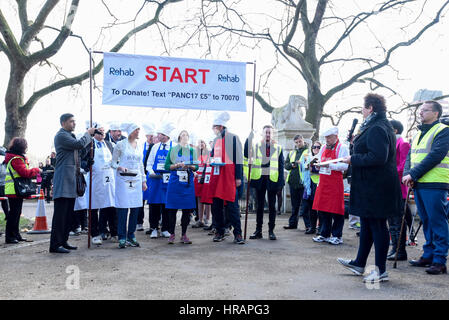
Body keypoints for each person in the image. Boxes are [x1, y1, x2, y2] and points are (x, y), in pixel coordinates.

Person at [338, 93, 402, 283]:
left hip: (377, 187)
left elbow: (378, 157)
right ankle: (359, 263)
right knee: (367, 225)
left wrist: (353, 159)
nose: (362, 111)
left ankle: (380, 270)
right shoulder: (376, 126)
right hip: (371, 185)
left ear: (371, 108)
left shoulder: (377, 127)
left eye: (363, 108)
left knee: (377, 226)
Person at [403, 100, 449, 275]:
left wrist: (412, 174)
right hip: (420, 182)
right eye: (420, 110)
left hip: (435, 182)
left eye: (425, 110)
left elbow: (436, 155)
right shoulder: (417, 133)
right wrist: (407, 174)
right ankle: (429, 255)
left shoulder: (443, 131)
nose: (420, 113)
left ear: (436, 113)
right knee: (426, 220)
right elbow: (410, 156)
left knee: (437, 221)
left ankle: (439, 260)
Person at [49, 113, 97, 253]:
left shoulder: (70, 136)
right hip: (64, 180)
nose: (74, 124)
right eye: (71, 121)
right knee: (60, 214)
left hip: (71, 180)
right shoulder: (61, 136)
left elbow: (80, 151)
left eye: (74, 121)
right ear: (63, 122)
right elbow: (78, 144)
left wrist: (90, 146)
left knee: (68, 214)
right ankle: (55, 244)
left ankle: (63, 241)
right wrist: (88, 134)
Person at [208, 112, 245, 244]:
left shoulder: (234, 138)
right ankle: (219, 231)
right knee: (216, 206)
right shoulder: (216, 140)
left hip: (229, 178)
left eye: (215, 127)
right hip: (217, 177)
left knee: (232, 207)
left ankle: (238, 233)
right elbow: (212, 156)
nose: (213, 129)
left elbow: (239, 158)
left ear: (221, 127)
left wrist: (238, 177)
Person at [244, 125, 285, 240]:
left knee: (272, 207)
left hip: (272, 180)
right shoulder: (256, 146)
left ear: (272, 134)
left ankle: (271, 231)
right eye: (266, 132)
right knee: (259, 206)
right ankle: (258, 231)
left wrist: (280, 183)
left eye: (269, 133)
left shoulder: (278, 147)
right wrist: (249, 138)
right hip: (259, 180)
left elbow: (281, 166)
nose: (267, 134)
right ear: (262, 134)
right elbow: (247, 154)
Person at [111, 123, 147, 249]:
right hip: (123, 179)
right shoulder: (120, 145)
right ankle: (122, 236)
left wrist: (144, 180)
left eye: (139, 129)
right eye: (136, 129)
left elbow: (141, 164)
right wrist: (119, 167)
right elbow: (112, 162)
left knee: (135, 207)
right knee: (123, 208)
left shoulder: (139, 145)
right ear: (131, 131)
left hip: (136, 180)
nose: (138, 131)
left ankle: (131, 235)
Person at [312, 127, 349, 245]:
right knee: (323, 208)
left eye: (329, 137)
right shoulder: (323, 147)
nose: (326, 140)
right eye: (326, 137)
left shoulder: (342, 148)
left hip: (335, 182)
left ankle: (337, 235)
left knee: (337, 209)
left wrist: (330, 166)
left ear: (335, 136)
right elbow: (319, 159)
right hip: (323, 181)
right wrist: (317, 165)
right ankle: (324, 233)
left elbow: (345, 166)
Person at [82, 122, 117, 245]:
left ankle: (114, 231)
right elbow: (81, 161)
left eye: (104, 132)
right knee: (93, 206)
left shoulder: (109, 144)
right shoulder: (89, 145)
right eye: (100, 132)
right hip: (95, 180)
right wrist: (87, 165)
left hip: (108, 179)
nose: (102, 134)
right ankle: (95, 233)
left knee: (110, 205)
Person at [3, 138, 40, 244]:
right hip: (14, 190)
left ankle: (15, 235)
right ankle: (10, 237)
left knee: (16, 213)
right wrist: (36, 170)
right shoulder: (16, 159)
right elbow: (24, 173)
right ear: (21, 147)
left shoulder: (15, 157)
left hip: (14, 189)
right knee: (14, 214)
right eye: (25, 146)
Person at [165, 130, 199, 244]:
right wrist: (176, 165)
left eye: (187, 135)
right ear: (179, 137)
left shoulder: (192, 150)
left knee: (187, 209)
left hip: (187, 183)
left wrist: (190, 166)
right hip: (175, 182)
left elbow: (197, 166)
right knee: (172, 209)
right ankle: (172, 233)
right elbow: (166, 166)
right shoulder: (173, 150)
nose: (185, 136)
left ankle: (184, 234)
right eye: (183, 134)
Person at [387, 119, 412, 261]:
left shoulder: (403, 144)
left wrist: (388, 172)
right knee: (392, 222)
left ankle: (399, 250)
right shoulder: (392, 143)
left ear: (395, 130)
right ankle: (395, 248)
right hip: (391, 186)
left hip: (399, 188)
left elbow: (403, 166)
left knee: (397, 221)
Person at [146, 122, 175, 239]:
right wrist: (152, 173)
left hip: (169, 180)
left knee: (167, 205)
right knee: (154, 204)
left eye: (160, 134)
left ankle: (165, 228)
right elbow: (149, 163)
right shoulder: (155, 147)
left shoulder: (174, 147)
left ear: (166, 135)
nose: (157, 136)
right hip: (156, 180)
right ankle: (153, 228)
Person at [284, 134, 308, 230]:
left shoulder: (308, 151)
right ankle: (293, 224)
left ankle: (308, 226)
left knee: (305, 205)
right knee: (295, 205)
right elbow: (286, 165)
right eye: (296, 142)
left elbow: (310, 163)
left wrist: (301, 163)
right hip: (293, 181)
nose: (298, 144)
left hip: (304, 182)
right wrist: (292, 164)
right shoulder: (291, 153)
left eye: (300, 141)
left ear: (303, 140)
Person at [299, 140, 321, 234]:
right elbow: (304, 168)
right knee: (306, 208)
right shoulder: (307, 157)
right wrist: (304, 164)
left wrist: (313, 168)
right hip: (308, 185)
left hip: (318, 184)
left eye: (318, 147)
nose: (316, 149)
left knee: (318, 209)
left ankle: (319, 228)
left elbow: (323, 169)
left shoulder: (321, 157)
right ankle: (311, 227)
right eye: (314, 147)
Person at [138, 123, 156, 232]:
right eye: (150, 136)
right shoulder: (141, 147)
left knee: (153, 201)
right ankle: (139, 222)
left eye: (153, 137)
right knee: (140, 201)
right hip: (142, 176)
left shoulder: (156, 147)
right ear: (146, 136)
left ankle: (153, 224)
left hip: (152, 177)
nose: (151, 138)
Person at [193, 138, 211, 228]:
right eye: (199, 142)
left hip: (206, 179)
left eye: (203, 142)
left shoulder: (209, 154)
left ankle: (207, 219)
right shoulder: (195, 154)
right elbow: (192, 166)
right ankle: (200, 220)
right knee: (199, 199)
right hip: (197, 179)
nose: (201, 144)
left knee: (207, 200)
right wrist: (194, 173)